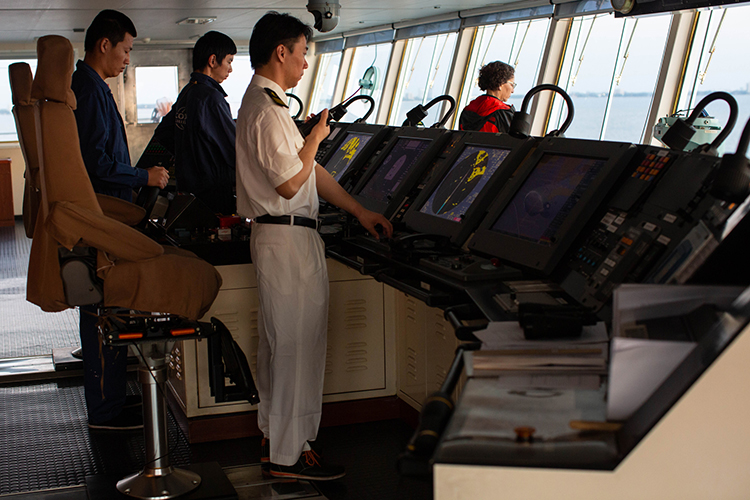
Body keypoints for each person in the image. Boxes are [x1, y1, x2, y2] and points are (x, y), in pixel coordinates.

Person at [236, 11, 393, 481]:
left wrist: (358, 210)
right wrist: (317, 138)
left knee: (286, 346)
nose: (306, 63)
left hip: (288, 237)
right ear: (281, 52)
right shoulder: (265, 110)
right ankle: (288, 457)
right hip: (285, 237)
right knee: (296, 348)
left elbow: (310, 173)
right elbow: (289, 182)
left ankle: (278, 441)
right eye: (303, 52)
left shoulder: (271, 104)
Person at [71, 9, 169, 431]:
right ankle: (105, 411)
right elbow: (98, 163)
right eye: (126, 49)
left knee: (103, 308)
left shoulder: (91, 87)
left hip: (106, 212)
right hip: (104, 214)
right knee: (101, 311)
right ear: (104, 44)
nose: (127, 58)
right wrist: (144, 176)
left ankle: (109, 401)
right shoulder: (90, 92)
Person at [153, 31, 237, 214]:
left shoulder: (188, 92)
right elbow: (234, 150)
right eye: (229, 61)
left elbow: (163, 134)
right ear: (213, 60)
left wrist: (188, 156)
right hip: (213, 194)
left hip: (187, 190)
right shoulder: (211, 98)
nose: (230, 69)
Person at [458, 61, 516, 134]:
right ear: (500, 84)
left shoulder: (468, 110)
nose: (512, 90)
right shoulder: (503, 113)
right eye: (512, 85)